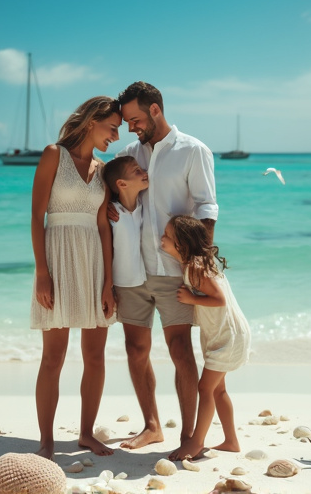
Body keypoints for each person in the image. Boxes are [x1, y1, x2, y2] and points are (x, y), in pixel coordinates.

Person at [110, 81, 219, 449]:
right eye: (127, 121)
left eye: (136, 119)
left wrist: (197, 261)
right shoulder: (129, 153)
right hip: (134, 270)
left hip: (174, 272)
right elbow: (117, 194)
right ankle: (152, 426)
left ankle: (189, 435)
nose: (131, 127)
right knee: (134, 350)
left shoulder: (193, 150)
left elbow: (206, 207)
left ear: (155, 109)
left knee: (180, 350)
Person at [30, 96, 120, 459]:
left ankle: (85, 433)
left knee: (95, 356)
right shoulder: (54, 154)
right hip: (57, 258)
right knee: (53, 357)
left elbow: (103, 227)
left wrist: (109, 282)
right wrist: (41, 272)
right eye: (112, 127)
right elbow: (38, 216)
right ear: (91, 121)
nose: (115, 135)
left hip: (94, 262)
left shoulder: (103, 170)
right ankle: (46, 440)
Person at [160, 215, 251, 461]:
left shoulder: (196, 267)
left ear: (182, 243)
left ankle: (197, 443)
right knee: (218, 390)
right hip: (221, 335)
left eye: (167, 236)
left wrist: (192, 299)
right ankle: (231, 441)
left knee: (205, 387)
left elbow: (219, 299)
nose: (162, 239)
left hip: (228, 337)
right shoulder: (192, 263)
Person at [102, 156, 149, 311]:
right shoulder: (113, 215)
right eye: (137, 171)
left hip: (146, 282)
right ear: (122, 184)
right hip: (122, 286)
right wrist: (108, 286)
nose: (145, 173)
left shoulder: (144, 207)